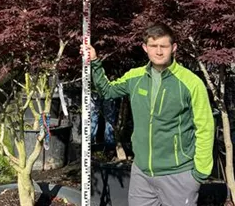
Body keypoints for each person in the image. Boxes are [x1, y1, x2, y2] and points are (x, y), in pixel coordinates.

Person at [81, 22, 214, 206]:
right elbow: (107, 91)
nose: (158, 51)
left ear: (173, 48)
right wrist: (95, 62)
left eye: (164, 46)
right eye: (153, 46)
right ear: (145, 48)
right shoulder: (135, 77)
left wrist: (199, 174)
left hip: (178, 175)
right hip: (141, 174)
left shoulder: (191, 83)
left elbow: (205, 127)